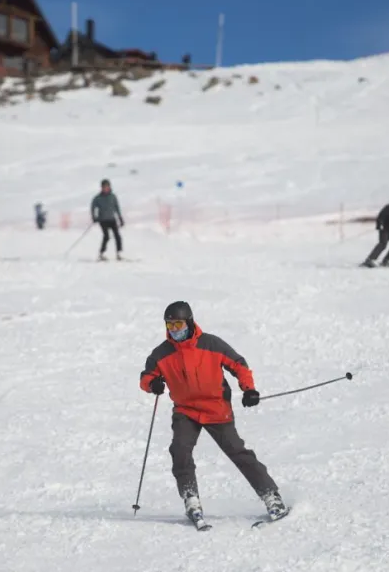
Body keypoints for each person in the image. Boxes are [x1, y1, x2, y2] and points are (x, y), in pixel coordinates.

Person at [139, 301, 288, 527]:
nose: (174, 329)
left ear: (189, 322)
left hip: (215, 407)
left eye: (178, 323)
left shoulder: (211, 344)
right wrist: (153, 385)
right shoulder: (162, 353)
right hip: (185, 410)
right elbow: (145, 378)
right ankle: (191, 499)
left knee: (237, 451)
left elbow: (239, 365)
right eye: (169, 324)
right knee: (179, 450)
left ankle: (271, 496)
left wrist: (249, 389)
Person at [90, 179, 124, 261]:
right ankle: (102, 253)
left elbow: (117, 208)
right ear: (101, 188)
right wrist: (94, 217)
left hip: (112, 219)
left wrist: (120, 218)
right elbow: (93, 207)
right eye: (103, 187)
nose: (105, 188)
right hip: (103, 220)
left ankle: (119, 253)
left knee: (117, 236)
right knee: (106, 236)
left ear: (109, 187)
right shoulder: (98, 198)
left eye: (106, 187)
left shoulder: (113, 197)